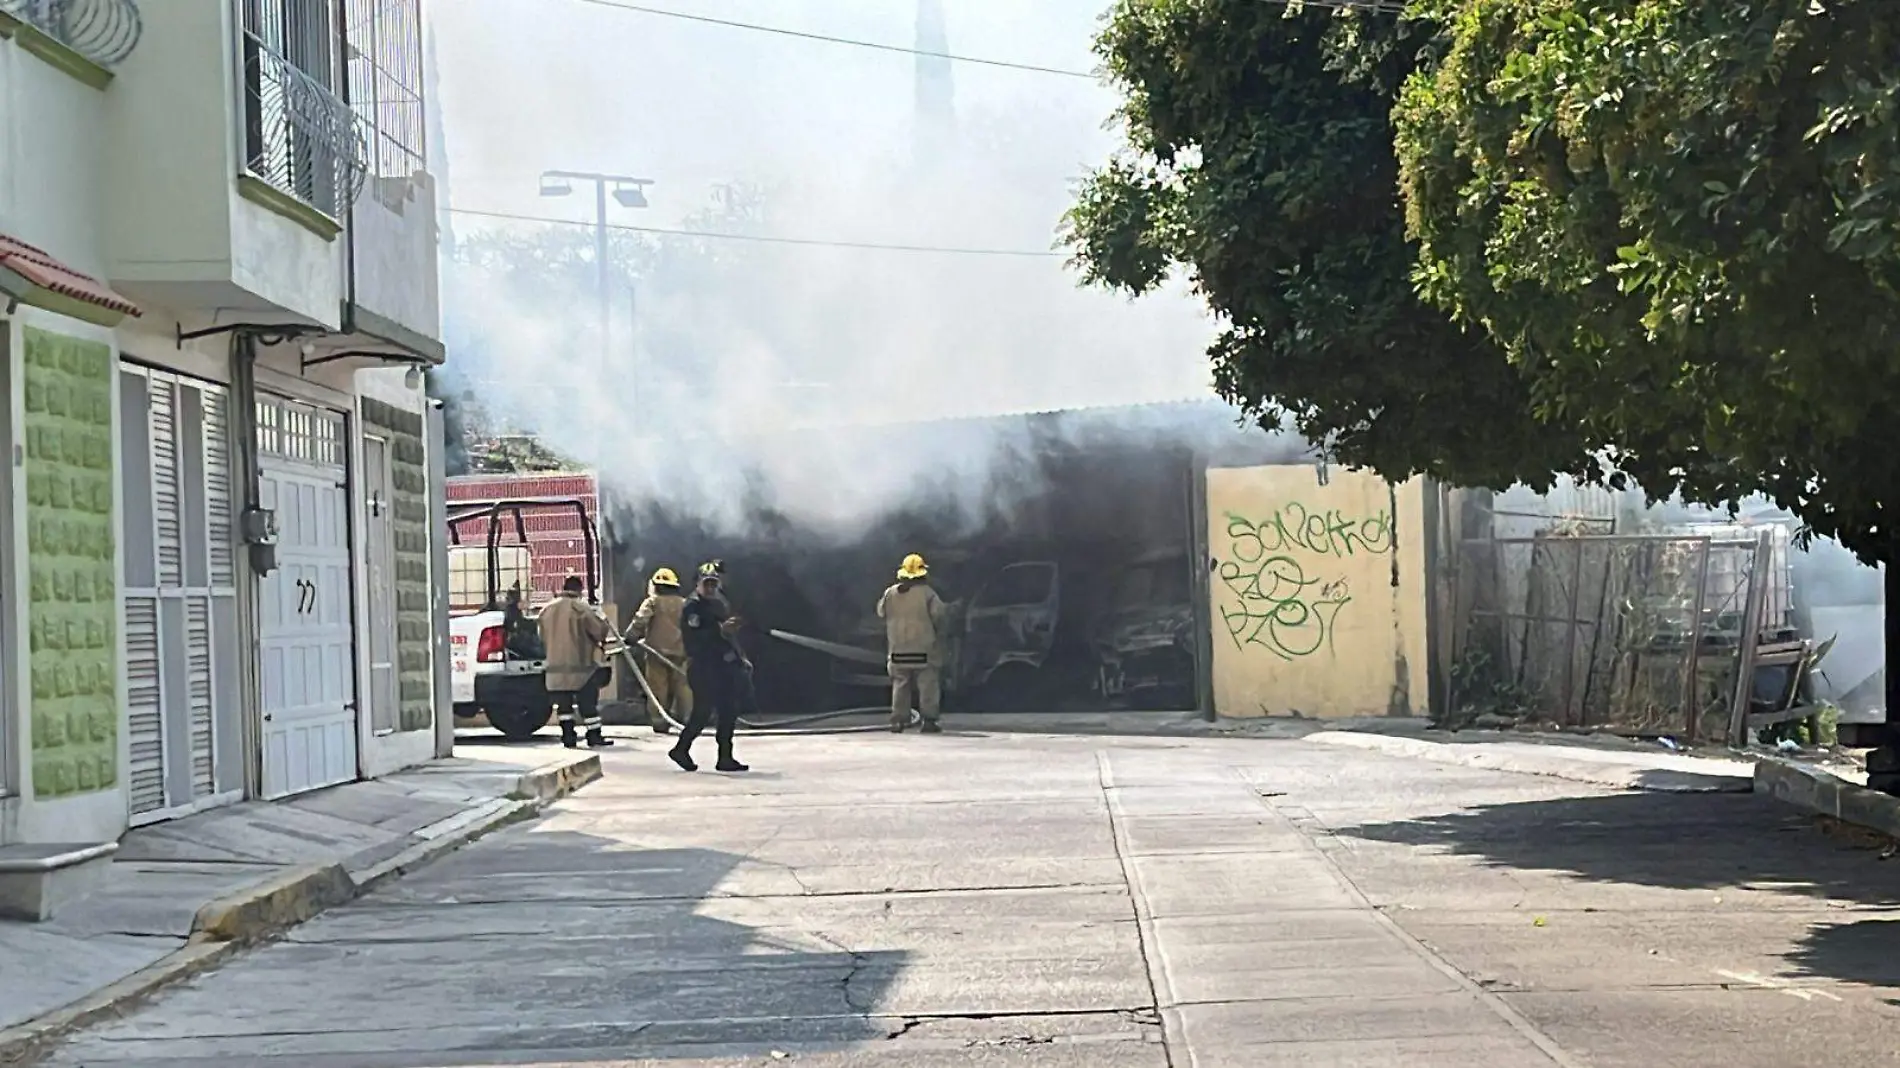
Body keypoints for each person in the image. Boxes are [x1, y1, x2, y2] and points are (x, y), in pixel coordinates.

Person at [669, 564, 749, 772]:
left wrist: (741, 657)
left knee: (728, 711)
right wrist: (719, 630)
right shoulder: (692, 608)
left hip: (722, 667)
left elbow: (728, 636)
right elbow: (696, 639)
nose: (711, 588)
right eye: (707, 584)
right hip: (703, 667)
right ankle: (681, 748)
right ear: (698, 584)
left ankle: (725, 757)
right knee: (702, 712)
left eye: (714, 584)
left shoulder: (718, 604)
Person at [540, 575, 614, 749]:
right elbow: (599, 632)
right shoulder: (582, 609)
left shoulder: (546, 610)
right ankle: (594, 736)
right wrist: (602, 619)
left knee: (564, 707)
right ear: (579, 590)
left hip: (554, 669)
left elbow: (541, 637)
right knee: (588, 705)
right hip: (581, 668)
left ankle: (568, 736)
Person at [878, 553, 947, 734]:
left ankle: (898, 721)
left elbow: (881, 613)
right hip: (923, 651)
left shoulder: (889, 593)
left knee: (900, 685)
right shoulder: (927, 594)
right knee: (928, 686)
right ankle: (929, 722)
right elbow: (940, 616)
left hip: (897, 651)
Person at [628, 567, 691, 735]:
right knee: (683, 688)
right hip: (681, 653)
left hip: (656, 653)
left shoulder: (652, 602)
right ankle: (686, 720)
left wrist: (631, 636)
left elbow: (640, 620)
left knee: (658, 689)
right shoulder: (685, 604)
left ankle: (660, 722)